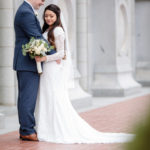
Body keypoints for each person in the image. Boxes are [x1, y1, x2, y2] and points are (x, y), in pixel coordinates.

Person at [35, 4, 134, 144]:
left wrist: (45, 58)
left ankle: (55, 128)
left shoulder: (58, 31)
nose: (48, 18)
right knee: (47, 96)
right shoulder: (47, 30)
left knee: (54, 96)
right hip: (47, 69)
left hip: (53, 69)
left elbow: (62, 54)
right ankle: (46, 127)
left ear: (57, 17)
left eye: (51, 16)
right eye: (46, 16)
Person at [13, 0, 48, 141]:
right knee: (28, 98)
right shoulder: (25, 13)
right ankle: (27, 130)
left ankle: (25, 129)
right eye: (41, 0)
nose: (42, 2)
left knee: (25, 97)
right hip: (28, 62)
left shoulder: (25, 10)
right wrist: (56, 49)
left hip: (27, 63)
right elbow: (36, 37)